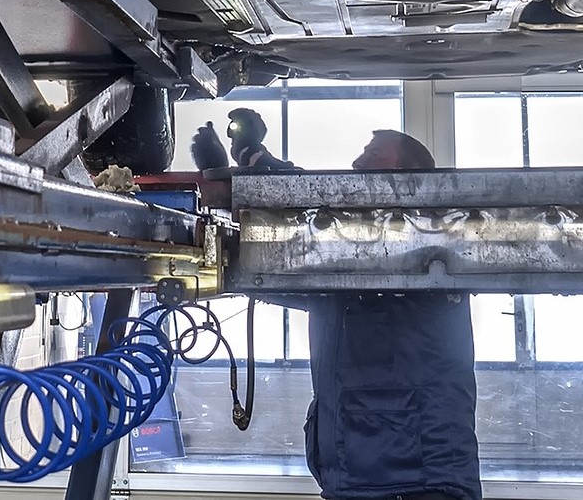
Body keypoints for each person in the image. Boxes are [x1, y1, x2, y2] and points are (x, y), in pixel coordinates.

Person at [193, 120, 481, 500]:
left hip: (420, 480)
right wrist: (223, 183)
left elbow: (316, 209)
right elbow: (287, 273)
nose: (357, 164)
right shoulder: (346, 270)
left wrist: (258, 163)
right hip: (355, 474)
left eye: (372, 156)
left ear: (406, 177)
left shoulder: (425, 244)